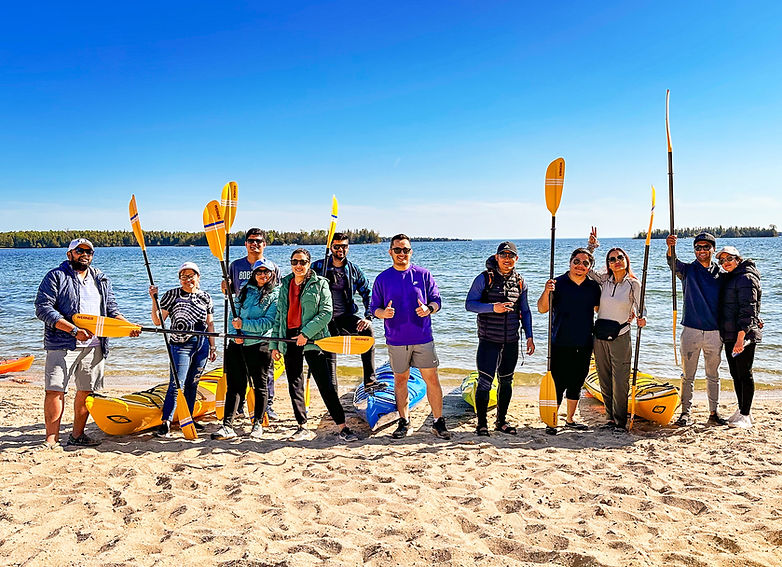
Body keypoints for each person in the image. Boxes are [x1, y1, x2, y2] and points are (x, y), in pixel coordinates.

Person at [35, 238, 137, 449]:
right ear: (69, 254)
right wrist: (73, 330)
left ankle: (77, 436)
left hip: (95, 345)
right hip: (62, 343)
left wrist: (128, 327)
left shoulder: (100, 278)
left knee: (87, 390)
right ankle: (51, 440)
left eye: (89, 251)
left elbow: (111, 310)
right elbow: (43, 308)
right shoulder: (56, 276)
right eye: (79, 250)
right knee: (55, 390)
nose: (85, 254)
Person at [270, 248, 357, 442]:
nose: (298, 266)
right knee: (295, 383)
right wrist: (275, 344)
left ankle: (343, 426)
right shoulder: (285, 284)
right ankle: (302, 426)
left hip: (313, 339)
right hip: (289, 338)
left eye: (302, 262)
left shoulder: (320, 283)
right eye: (295, 262)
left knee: (324, 383)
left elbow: (326, 313)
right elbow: (279, 316)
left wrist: (305, 333)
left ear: (309, 263)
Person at [371, 234, 451, 440]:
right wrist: (383, 314)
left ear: (411, 252)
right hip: (396, 339)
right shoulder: (382, 279)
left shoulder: (423, 275)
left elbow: (437, 301)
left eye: (405, 250)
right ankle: (404, 421)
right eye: (397, 250)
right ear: (390, 252)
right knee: (400, 380)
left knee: (432, 379)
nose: (401, 254)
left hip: (423, 337)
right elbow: (374, 308)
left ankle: (438, 421)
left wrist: (428, 308)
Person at [465, 241, 535, 436]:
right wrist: (492, 308)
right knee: (485, 382)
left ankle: (501, 421)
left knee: (506, 381)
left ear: (516, 259)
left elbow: (526, 311)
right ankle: (481, 424)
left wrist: (529, 336)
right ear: (497, 258)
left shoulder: (520, 282)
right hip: (489, 340)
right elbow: (469, 304)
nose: (507, 259)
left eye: (510, 256)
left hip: (511, 341)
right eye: (503, 255)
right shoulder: (484, 279)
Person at [212, 258, 279, 440]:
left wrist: (245, 326)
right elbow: (233, 316)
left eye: (266, 272)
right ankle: (227, 425)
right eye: (259, 272)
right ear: (253, 274)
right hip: (237, 344)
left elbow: (268, 322)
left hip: (260, 345)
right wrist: (236, 334)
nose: (262, 275)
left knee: (259, 385)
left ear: (272, 274)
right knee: (234, 385)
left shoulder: (276, 295)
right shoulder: (243, 292)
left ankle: (257, 423)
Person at [536, 247, 601, 435]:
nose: (580, 266)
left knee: (577, 382)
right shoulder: (557, 283)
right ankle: (552, 420)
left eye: (585, 263)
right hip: (560, 341)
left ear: (589, 267)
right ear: (570, 262)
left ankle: (570, 419)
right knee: (558, 382)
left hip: (584, 341)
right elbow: (542, 309)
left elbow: (599, 309)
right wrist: (546, 291)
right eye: (577, 262)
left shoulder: (593, 287)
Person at [149, 262, 217, 438]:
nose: (188, 280)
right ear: (179, 278)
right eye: (184, 276)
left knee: (192, 383)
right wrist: (153, 300)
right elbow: (158, 322)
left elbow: (210, 323)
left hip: (201, 345)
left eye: (191, 276)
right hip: (180, 345)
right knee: (176, 383)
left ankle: (188, 418)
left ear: (198, 277)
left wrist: (213, 346)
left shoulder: (206, 297)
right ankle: (166, 422)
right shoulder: (172, 295)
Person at [666, 232, 726, 426]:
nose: (701, 250)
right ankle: (685, 413)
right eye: (698, 247)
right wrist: (670, 246)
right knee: (687, 376)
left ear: (713, 249)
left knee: (713, 375)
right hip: (690, 330)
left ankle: (713, 413)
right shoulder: (688, 270)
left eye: (706, 247)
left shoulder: (721, 273)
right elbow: (672, 263)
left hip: (715, 333)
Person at [587, 231, 646, 431]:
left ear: (626, 260)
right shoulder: (604, 280)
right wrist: (592, 247)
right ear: (609, 263)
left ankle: (620, 421)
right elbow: (586, 269)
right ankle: (610, 418)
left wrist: (641, 317)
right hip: (600, 334)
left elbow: (641, 306)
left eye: (620, 258)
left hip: (620, 335)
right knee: (604, 377)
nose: (616, 261)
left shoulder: (633, 283)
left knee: (620, 379)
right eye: (612, 259)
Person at [224, 228, 281, 419]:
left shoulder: (273, 266)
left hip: (261, 332)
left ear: (264, 244)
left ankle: (267, 406)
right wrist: (226, 288)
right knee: (239, 373)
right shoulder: (235, 265)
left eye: (258, 241)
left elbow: (276, 296)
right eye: (250, 240)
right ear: (246, 243)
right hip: (240, 327)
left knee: (265, 374)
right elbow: (233, 298)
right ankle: (238, 408)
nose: (254, 244)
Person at [311, 232, 380, 391]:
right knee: (330, 358)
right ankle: (333, 397)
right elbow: (299, 284)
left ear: (348, 248)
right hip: (323, 320)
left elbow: (368, 293)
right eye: (336, 246)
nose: (340, 250)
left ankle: (370, 380)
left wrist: (368, 316)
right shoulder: (318, 267)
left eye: (344, 246)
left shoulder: (354, 270)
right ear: (331, 247)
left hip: (345, 317)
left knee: (367, 331)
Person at [716, 246, 762, 429]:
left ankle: (745, 414)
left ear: (738, 259)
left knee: (744, 373)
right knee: (735, 374)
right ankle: (743, 409)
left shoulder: (746, 278)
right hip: (730, 334)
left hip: (743, 335)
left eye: (729, 259)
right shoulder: (732, 277)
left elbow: (748, 308)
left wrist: (740, 338)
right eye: (722, 261)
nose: (725, 263)